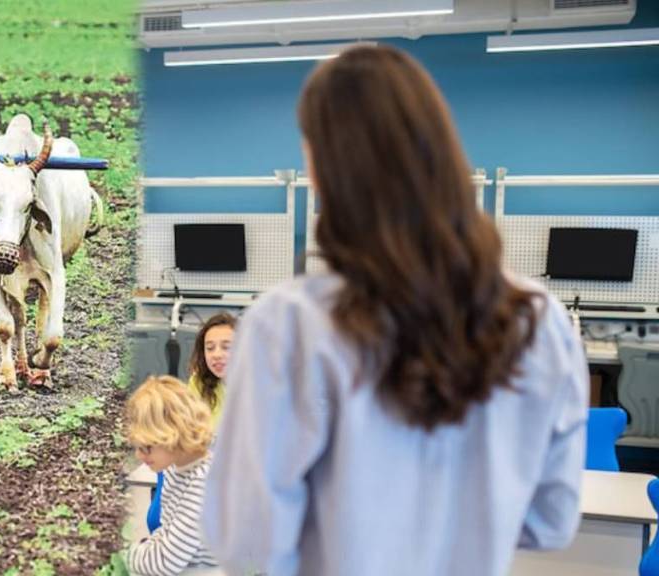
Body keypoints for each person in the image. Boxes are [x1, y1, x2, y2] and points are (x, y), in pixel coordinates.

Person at [203, 45, 588, 576]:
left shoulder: (291, 324)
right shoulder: (538, 320)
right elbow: (552, 521)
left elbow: (247, 545)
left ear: (323, 168)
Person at [147, 312, 237, 534]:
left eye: (226, 347)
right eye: (210, 347)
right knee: (157, 519)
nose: (216, 354)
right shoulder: (199, 382)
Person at [126, 376, 219, 576]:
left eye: (147, 447)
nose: (139, 455)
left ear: (173, 436)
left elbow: (165, 564)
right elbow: (167, 531)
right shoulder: (175, 467)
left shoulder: (203, 484)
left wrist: (126, 554)